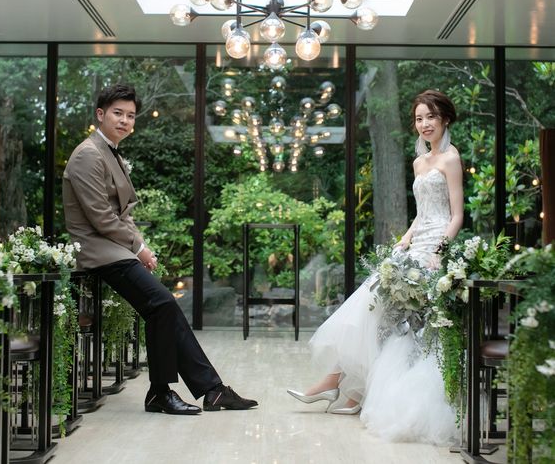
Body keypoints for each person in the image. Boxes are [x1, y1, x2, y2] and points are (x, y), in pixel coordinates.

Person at [63, 84, 257, 415]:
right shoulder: (88, 154)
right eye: (117, 113)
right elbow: (101, 218)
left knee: (164, 308)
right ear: (100, 114)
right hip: (98, 251)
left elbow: (124, 215)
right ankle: (165, 392)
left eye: (130, 116)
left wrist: (142, 246)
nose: (124, 121)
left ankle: (210, 391)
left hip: (116, 250)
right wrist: (138, 247)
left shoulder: (111, 153)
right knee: (163, 305)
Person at [287, 89, 463, 445]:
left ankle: (344, 388)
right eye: (419, 118)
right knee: (371, 306)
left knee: (391, 318)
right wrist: (404, 240)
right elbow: (422, 215)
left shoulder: (451, 158)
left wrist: (437, 252)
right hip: (414, 248)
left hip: (434, 252)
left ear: (445, 119)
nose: (424, 124)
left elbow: (456, 215)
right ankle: (345, 387)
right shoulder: (419, 163)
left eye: (430, 117)